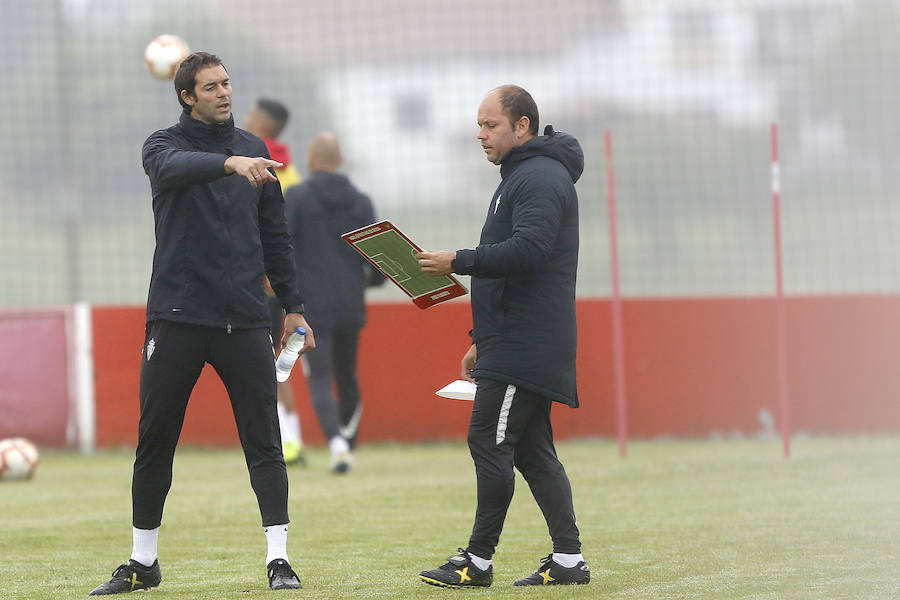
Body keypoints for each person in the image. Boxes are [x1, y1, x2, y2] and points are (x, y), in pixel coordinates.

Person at [89, 52, 315, 595]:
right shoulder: (162, 146)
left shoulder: (257, 150)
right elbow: (171, 170)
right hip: (178, 318)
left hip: (244, 319)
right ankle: (143, 563)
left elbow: (275, 237)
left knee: (263, 440)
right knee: (156, 438)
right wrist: (229, 164)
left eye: (227, 83)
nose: (224, 93)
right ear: (186, 96)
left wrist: (294, 306)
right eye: (211, 86)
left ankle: (279, 561)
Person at [415, 85, 589, 588]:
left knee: (487, 439)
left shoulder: (537, 176)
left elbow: (530, 251)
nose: (480, 133)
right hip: (513, 341)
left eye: (491, 125)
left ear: (523, 127)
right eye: (480, 124)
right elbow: (513, 263)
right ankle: (569, 562)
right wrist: (481, 337)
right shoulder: (522, 174)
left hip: (525, 345)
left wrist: (458, 260)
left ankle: (478, 561)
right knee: (532, 453)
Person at [284, 132, 385, 473]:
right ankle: (348, 442)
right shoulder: (361, 201)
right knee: (347, 375)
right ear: (340, 161)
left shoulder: (295, 197)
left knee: (319, 375)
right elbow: (378, 261)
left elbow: (281, 248)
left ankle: (337, 444)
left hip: (310, 307)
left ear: (310, 162)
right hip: (350, 304)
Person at [244, 97, 306, 466]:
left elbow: (280, 231)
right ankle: (290, 439)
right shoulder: (292, 171)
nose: (244, 118)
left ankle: (287, 442)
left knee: (270, 362)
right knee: (275, 362)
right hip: (276, 280)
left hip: (264, 280)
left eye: (250, 115)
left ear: (263, 125)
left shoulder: (265, 168)